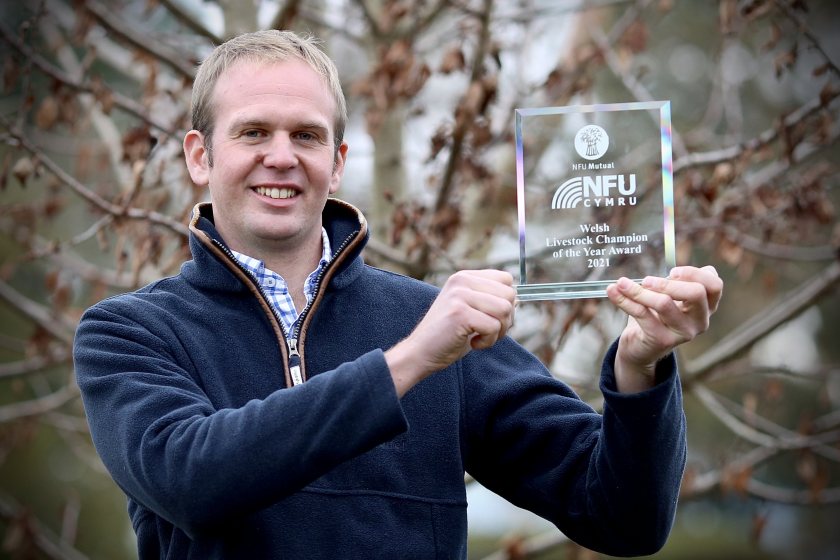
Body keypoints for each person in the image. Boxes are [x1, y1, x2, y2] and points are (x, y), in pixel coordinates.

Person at [73, 30, 723, 560]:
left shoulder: (429, 322)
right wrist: (410, 362)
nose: (281, 156)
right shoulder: (129, 334)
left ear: (337, 161)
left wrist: (640, 367)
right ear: (199, 156)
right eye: (252, 133)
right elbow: (192, 479)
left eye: (305, 136)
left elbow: (624, 520)